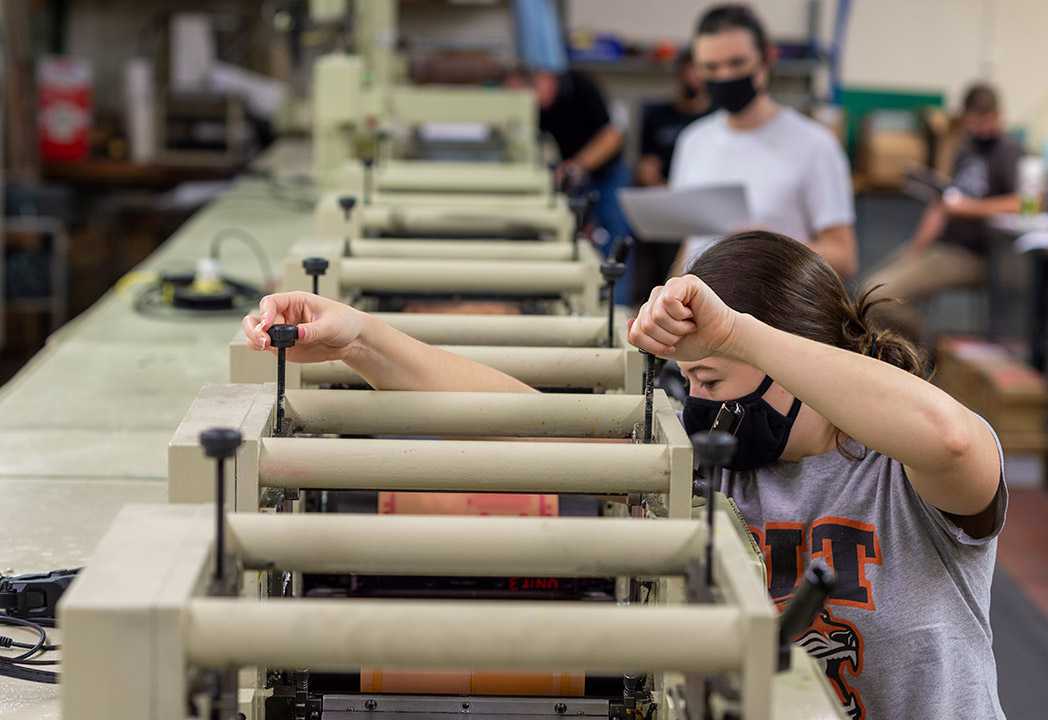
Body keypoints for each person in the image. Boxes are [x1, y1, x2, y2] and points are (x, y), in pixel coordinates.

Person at [243, 231, 1006, 720]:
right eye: (690, 382)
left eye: (712, 380)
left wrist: (740, 332)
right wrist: (361, 340)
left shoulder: (900, 478)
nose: (698, 404)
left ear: (795, 360)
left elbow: (954, 440)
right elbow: (524, 422)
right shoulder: (717, 469)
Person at [668, 4, 858, 279]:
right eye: (710, 67)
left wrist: (770, 247)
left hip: (772, 315)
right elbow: (691, 242)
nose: (724, 76)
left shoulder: (815, 145)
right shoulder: (693, 141)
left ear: (767, 58)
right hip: (699, 312)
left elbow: (845, 258)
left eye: (737, 63)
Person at [864, 83, 1023, 341]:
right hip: (943, 245)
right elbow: (942, 204)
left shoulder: (1008, 152)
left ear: (998, 116)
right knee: (866, 291)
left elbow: (1022, 202)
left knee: (876, 298)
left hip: (975, 255)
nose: (980, 129)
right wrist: (916, 248)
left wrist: (969, 208)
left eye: (986, 121)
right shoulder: (966, 149)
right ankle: (919, 345)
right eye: (975, 122)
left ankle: (932, 345)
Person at [505, 66, 635, 303]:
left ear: (544, 80)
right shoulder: (537, 109)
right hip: (573, 178)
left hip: (606, 174)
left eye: (525, 94)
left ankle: (617, 305)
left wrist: (577, 166)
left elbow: (612, 137)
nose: (526, 103)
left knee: (614, 240)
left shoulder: (579, 85)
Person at [636, 45, 712, 188]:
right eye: (691, 68)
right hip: (664, 191)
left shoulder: (718, 119)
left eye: (701, 68)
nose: (695, 75)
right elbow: (647, 170)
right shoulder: (658, 116)